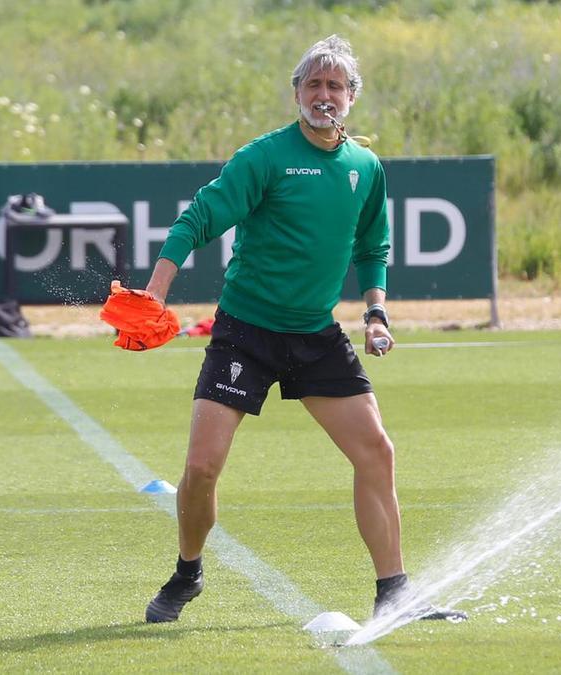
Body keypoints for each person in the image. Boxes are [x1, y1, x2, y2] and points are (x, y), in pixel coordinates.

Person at [140, 35, 465, 624]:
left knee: (377, 453)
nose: (324, 95)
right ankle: (188, 571)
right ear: (296, 92)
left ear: (351, 97)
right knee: (202, 468)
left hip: (316, 335)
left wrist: (375, 312)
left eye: (335, 86)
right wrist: (155, 293)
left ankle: (395, 591)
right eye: (313, 84)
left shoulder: (366, 168)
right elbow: (198, 219)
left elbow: (373, 246)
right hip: (246, 331)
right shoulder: (264, 157)